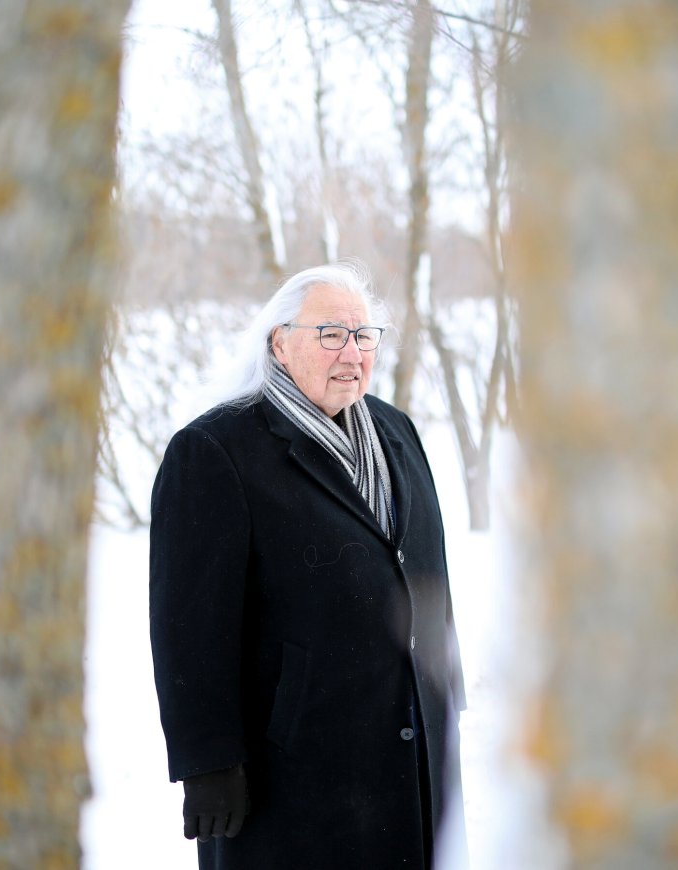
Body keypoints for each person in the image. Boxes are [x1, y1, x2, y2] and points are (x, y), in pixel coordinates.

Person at [149, 262, 466, 870]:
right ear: (279, 342)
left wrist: (444, 695)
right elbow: (187, 624)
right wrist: (208, 761)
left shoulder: (397, 431)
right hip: (292, 767)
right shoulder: (217, 451)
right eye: (330, 334)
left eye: (364, 335)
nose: (352, 352)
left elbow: (427, 576)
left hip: (408, 748)